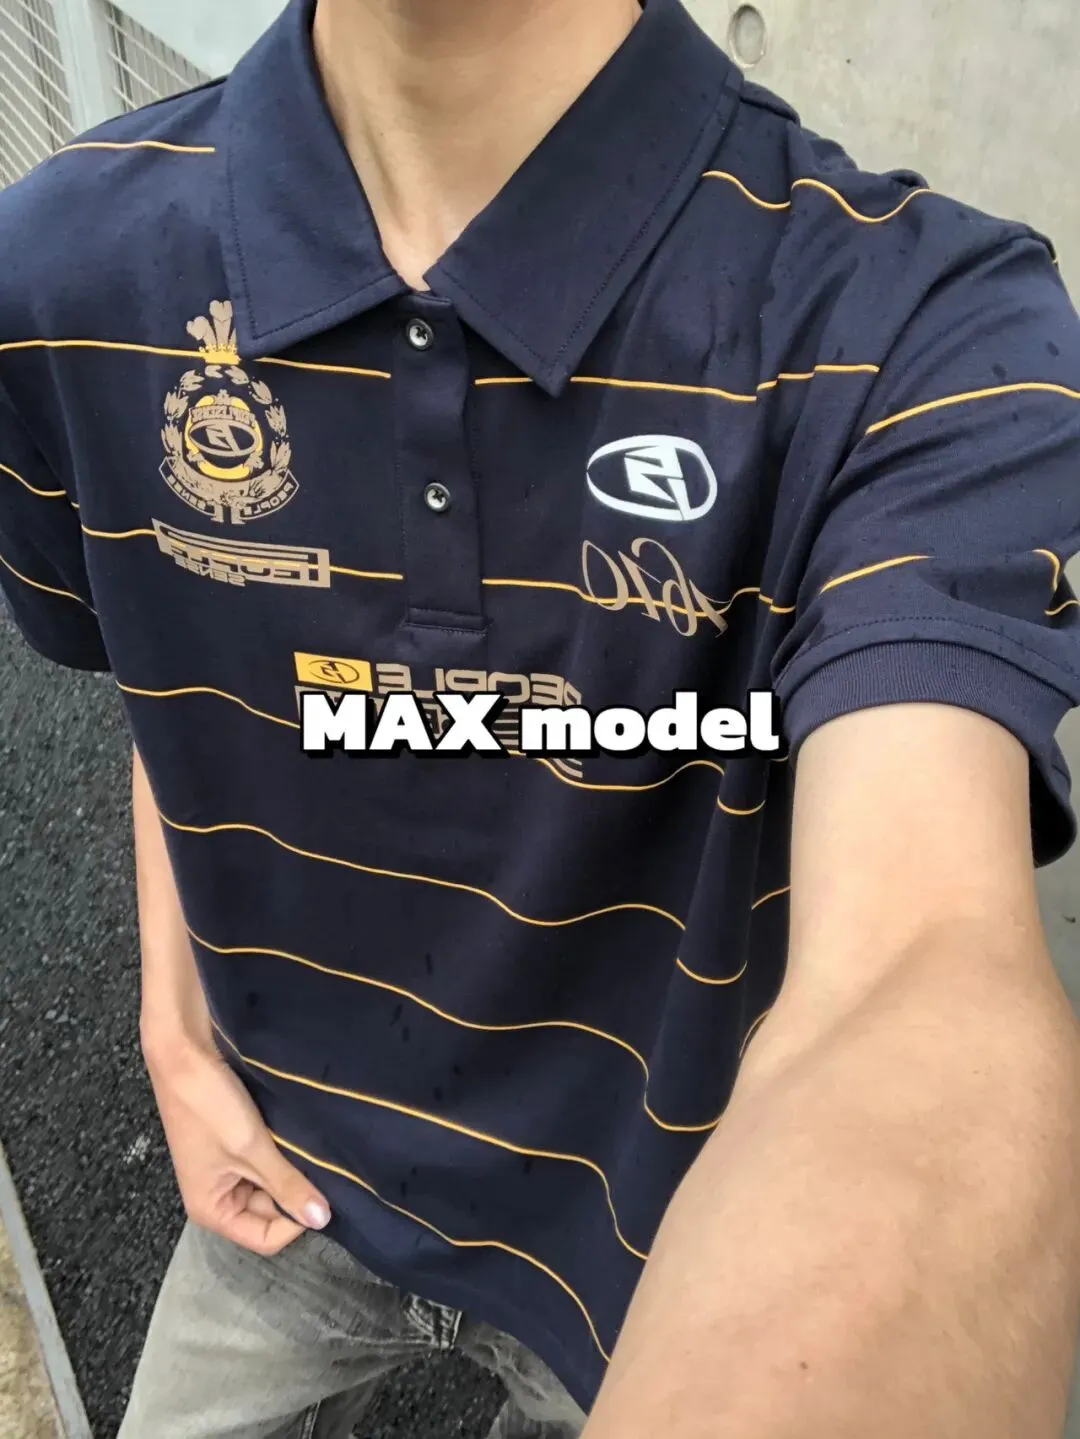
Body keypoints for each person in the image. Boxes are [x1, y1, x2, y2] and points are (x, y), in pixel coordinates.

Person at [2, 0, 1080, 1434]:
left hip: (654, 1247)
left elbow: (923, 972)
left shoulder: (925, 336)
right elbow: (174, 661)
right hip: (290, 1168)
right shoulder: (64, 271)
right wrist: (171, 1020)